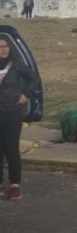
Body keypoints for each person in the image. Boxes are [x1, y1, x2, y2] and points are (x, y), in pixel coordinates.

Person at [0, 37, 38, 200]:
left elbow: (33, 79)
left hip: (12, 113)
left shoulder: (16, 65)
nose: (3, 49)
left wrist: (25, 95)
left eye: (5, 46)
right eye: (0, 47)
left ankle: (15, 185)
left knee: (11, 149)